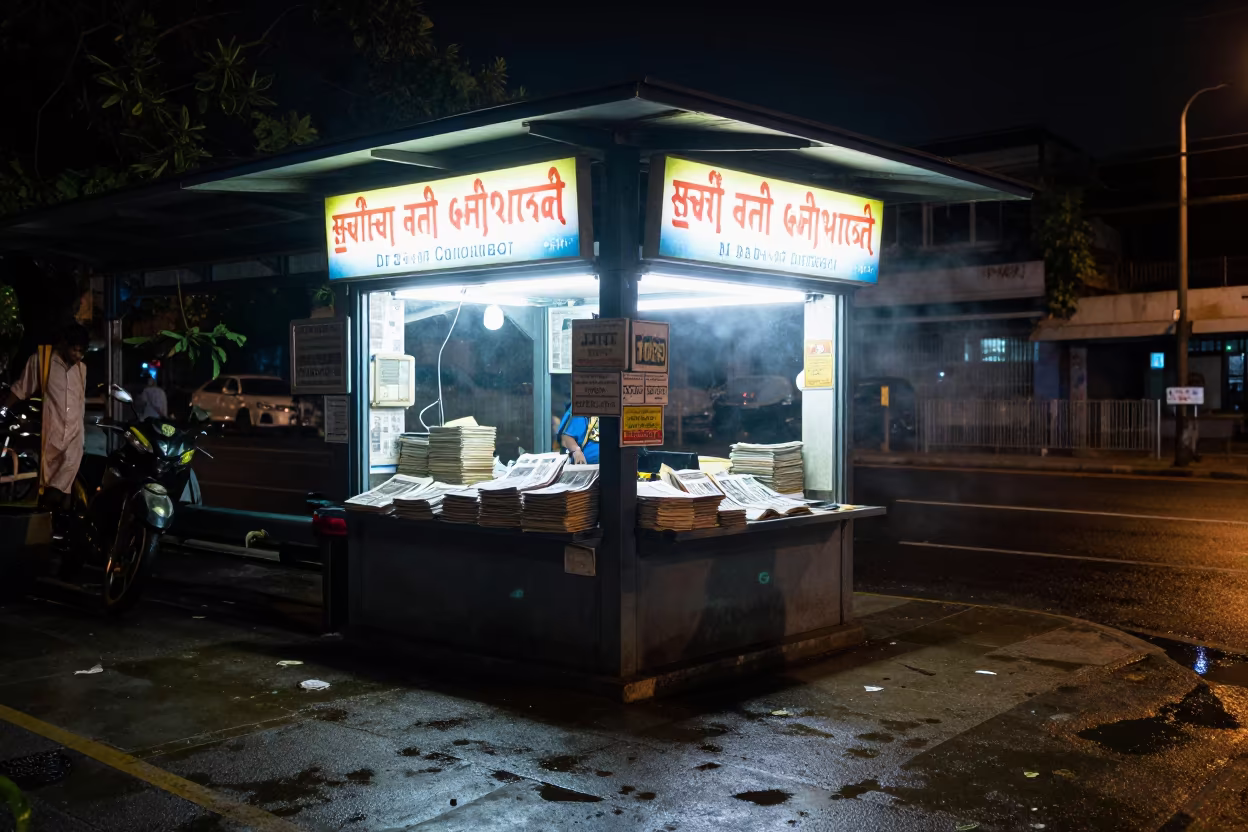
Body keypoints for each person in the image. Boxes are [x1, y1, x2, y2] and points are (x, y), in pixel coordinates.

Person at [2, 323, 89, 509]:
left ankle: (51, 520)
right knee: (52, 489)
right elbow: (22, 388)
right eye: (75, 350)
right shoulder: (42, 360)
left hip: (74, 438)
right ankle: (52, 528)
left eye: (82, 352)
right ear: (64, 344)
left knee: (59, 488)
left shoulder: (82, 369)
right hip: (51, 436)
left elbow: (80, 403)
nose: (78, 356)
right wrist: (3, 408)